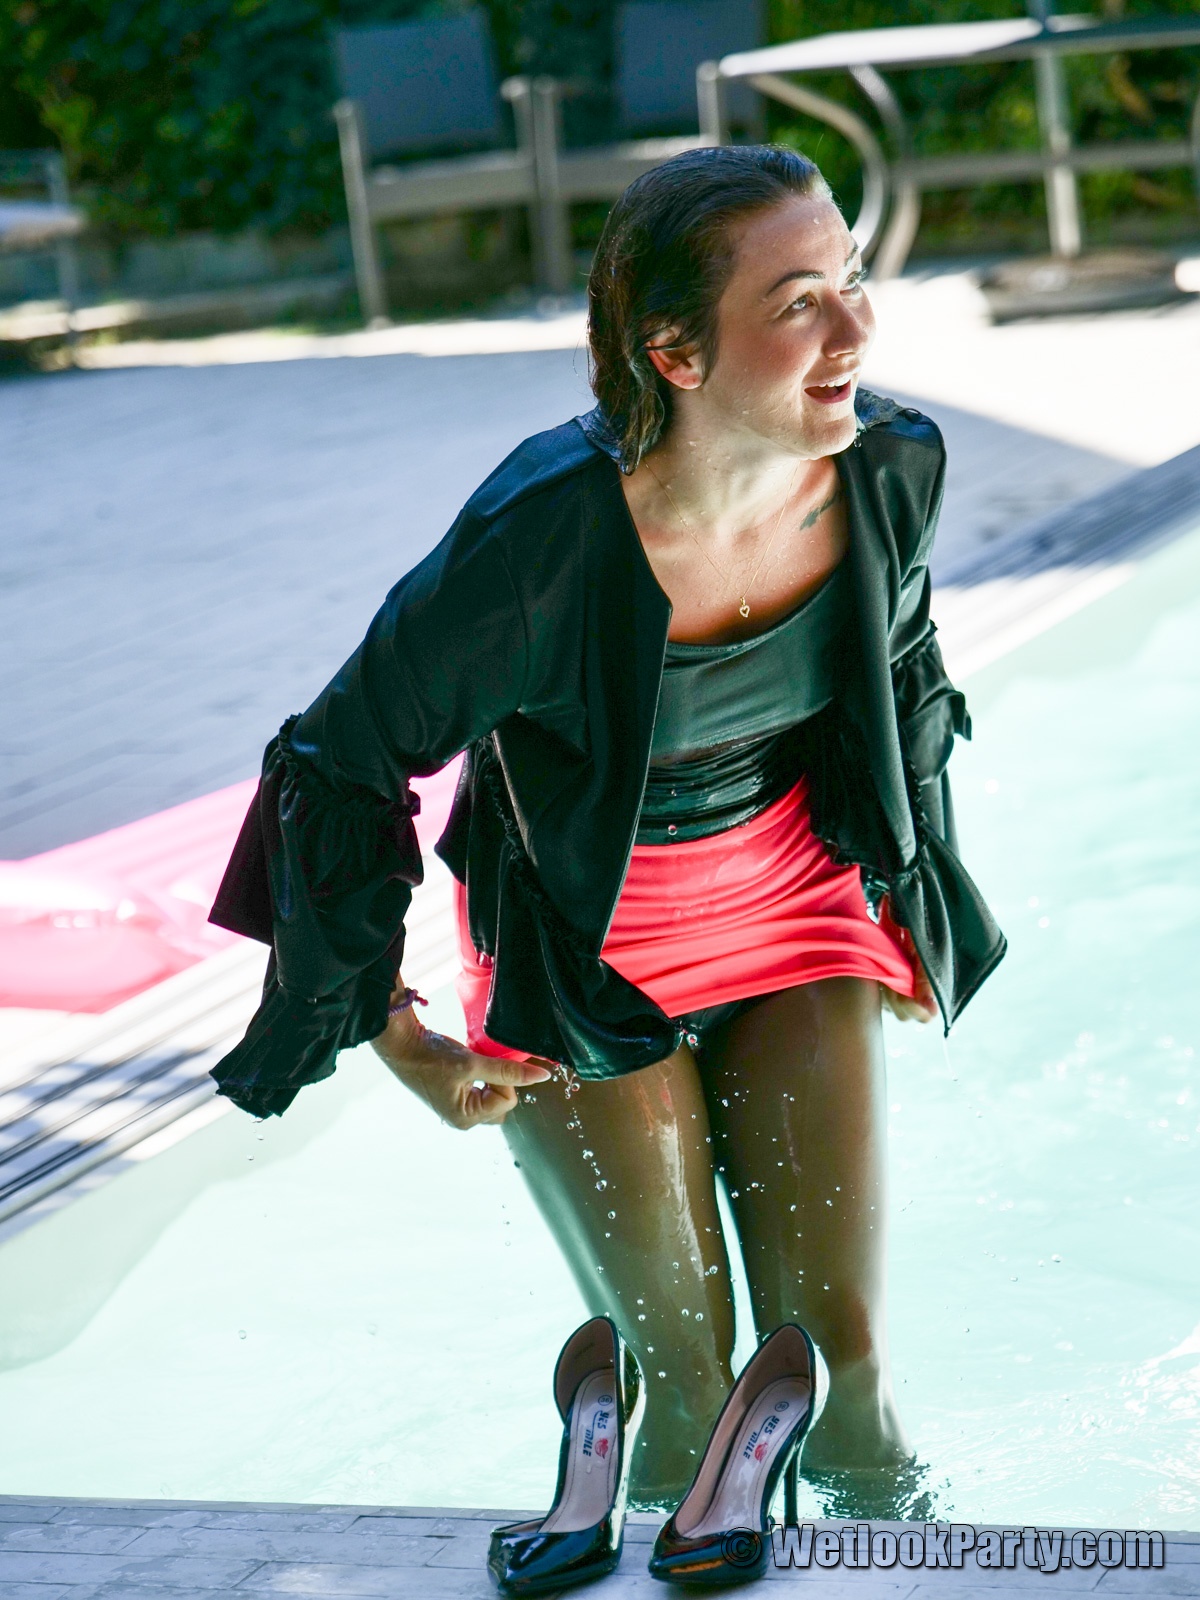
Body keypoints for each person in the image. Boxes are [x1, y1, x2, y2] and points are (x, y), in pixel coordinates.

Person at [209, 145, 1005, 1509]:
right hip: (586, 954)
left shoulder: (891, 466)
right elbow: (337, 763)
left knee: (843, 1374)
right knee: (692, 1389)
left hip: (800, 911)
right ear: (676, 354)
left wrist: (913, 896)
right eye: (799, 301)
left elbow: (904, 675)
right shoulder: (540, 540)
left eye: (854, 278)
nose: (858, 328)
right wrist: (393, 1032)